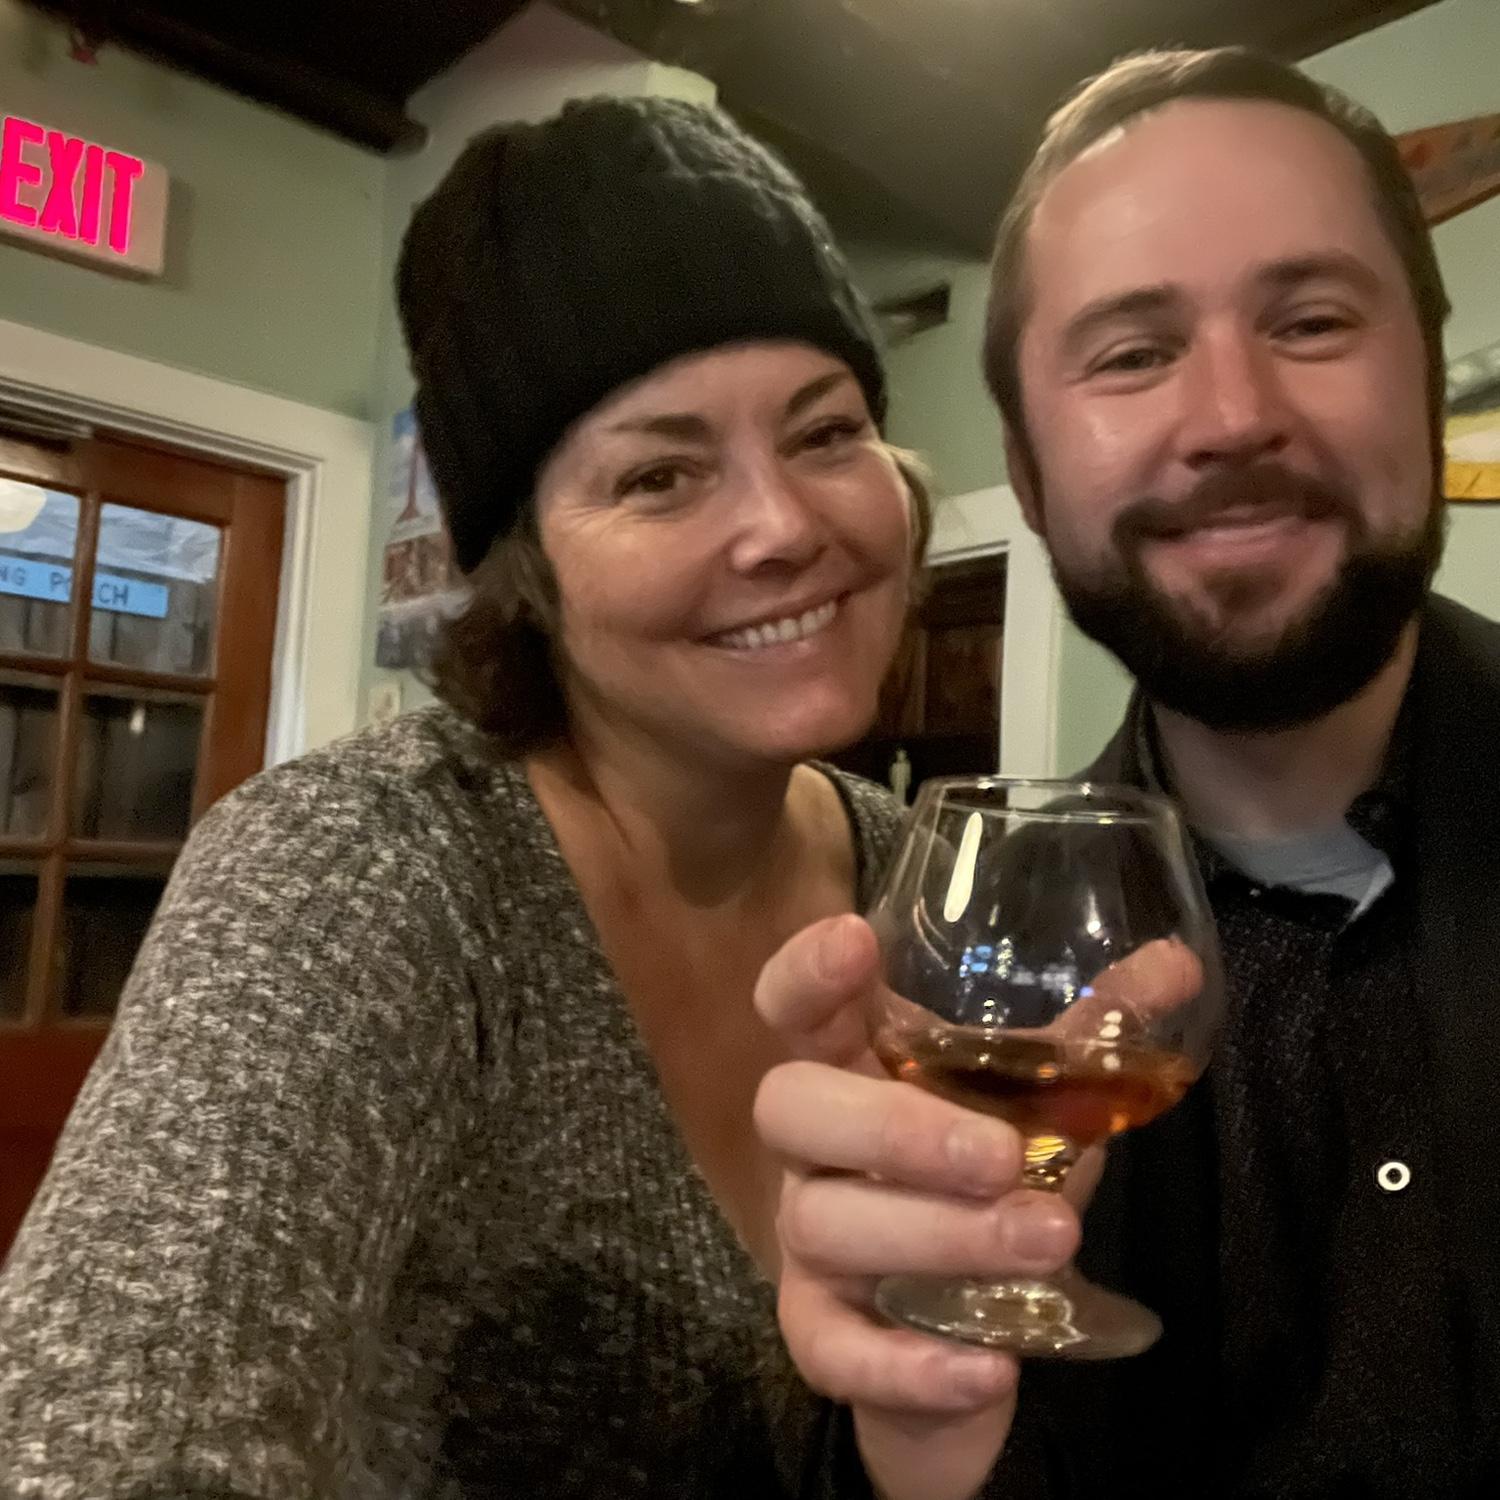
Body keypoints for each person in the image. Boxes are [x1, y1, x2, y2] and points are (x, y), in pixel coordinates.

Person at [0, 97, 929, 1498]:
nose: (785, 527)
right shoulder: (362, 870)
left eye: (826, 432)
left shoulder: (917, 873)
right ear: (529, 569)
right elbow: (104, 1439)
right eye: (659, 475)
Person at [752, 45, 1500, 1500]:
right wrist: (917, 1434)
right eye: (1133, 353)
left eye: (1313, 320)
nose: (1230, 415)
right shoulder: (976, 1010)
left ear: (1427, 375)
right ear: (1030, 478)